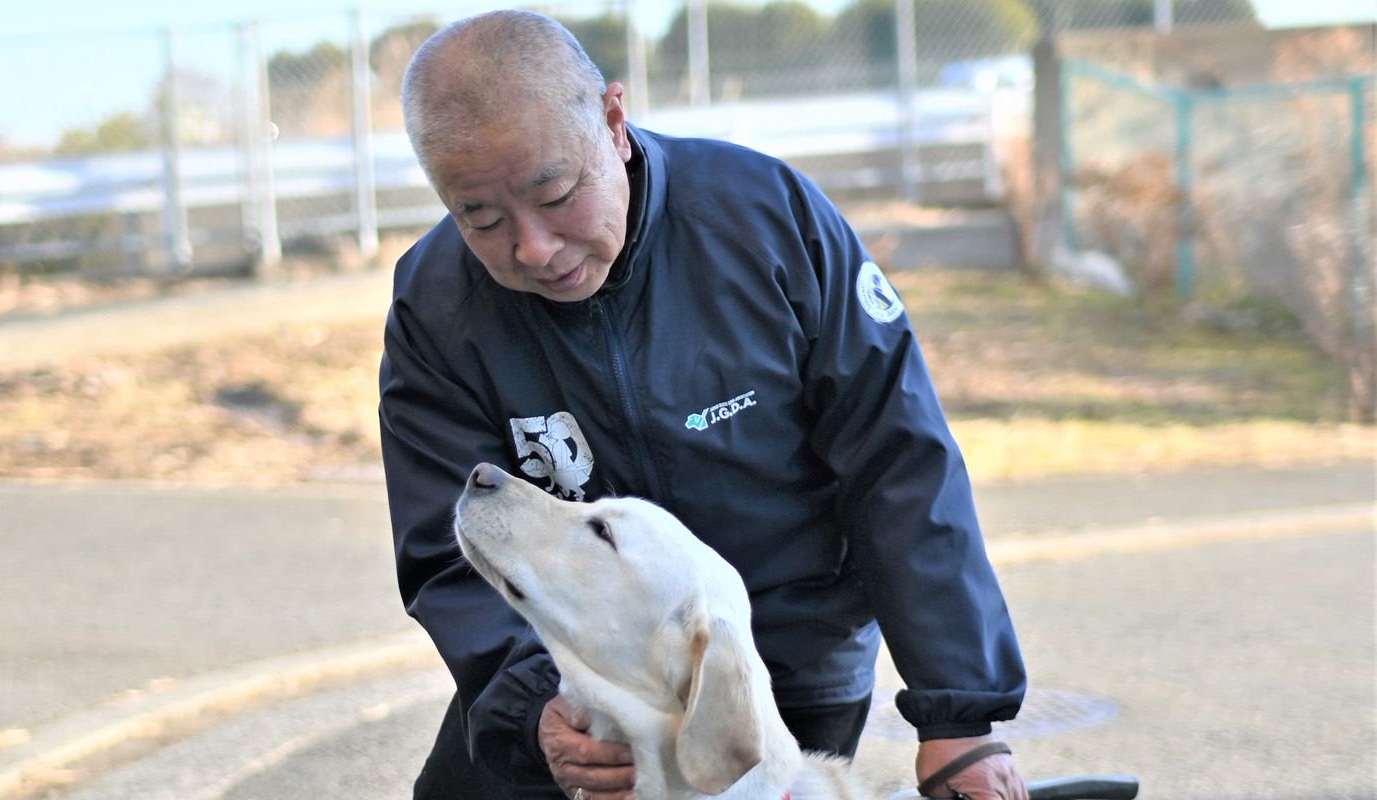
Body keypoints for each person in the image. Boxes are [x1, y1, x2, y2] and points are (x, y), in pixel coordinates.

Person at [379, 10, 1028, 800]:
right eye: (480, 218)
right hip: (572, 692)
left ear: (613, 123)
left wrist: (958, 715)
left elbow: (897, 465)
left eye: (555, 194)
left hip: (779, 668)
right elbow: (450, 543)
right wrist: (530, 710)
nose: (533, 248)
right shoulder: (436, 308)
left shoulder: (767, 222)